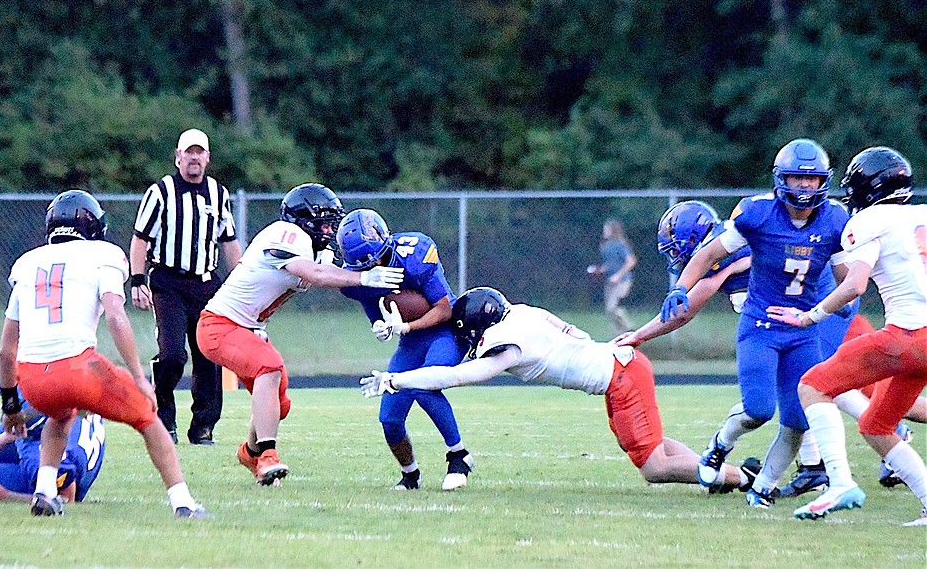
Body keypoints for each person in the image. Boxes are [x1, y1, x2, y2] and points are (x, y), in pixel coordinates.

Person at [360, 287, 757, 491]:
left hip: (621, 378)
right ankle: (717, 471)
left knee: (653, 468)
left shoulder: (507, 348)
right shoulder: (523, 313)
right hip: (622, 368)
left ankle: (739, 478)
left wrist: (396, 379)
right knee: (646, 444)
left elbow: (453, 377)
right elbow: (575, 332)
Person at [658, 138, 850, 508]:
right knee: (759, 408)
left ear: (823, 181)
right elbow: (710, 253)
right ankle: (719, 446)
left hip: (803, 328)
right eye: (797, 178)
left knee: (798, 418)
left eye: (812, 180)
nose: (806, 187)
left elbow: (844, 275)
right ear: (782, 179)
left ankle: (764, 486)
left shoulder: (835, 218)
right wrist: (680, 287)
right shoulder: (757, 213)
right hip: (760, 324)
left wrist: (842, 299)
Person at [0, 190, 206, 518]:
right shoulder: (103, 254)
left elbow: (6, 350)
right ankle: (183, 502)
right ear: (92, 226)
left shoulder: (26, 263)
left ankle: (44, 491)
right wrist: (139, 377)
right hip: (78, 369)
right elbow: (115, 315)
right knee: (149, 419)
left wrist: (10, 405)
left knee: (60, 415)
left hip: (33, 380)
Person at [196, 183, 404, 486]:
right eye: (325, 222)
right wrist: (364, 278)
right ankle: (268, 456)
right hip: (219, 325)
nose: (331, 230)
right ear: (304, 220)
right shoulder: (285, 234)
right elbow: (318, 276)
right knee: (267, 368)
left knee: (279, 404)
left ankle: (249, 453)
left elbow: (342, 278)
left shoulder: (318, 250)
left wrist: (379, 312)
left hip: (249, 330)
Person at [766, 146, 927, 525]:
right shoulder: (921, 216)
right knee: (876, 425)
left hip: (908, 336)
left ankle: (839, 481)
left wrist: (810, 316)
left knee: (812, 385)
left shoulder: (871, 221)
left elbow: (854, 285)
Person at [335, 208, 474, 491]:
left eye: (370, 261)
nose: (367, 268)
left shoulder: (415, 255)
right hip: (410, 342)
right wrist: (379, 324)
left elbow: (444, 309)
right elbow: (371, 302)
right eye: (360, 265)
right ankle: (410, 475)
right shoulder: (355, 278)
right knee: (389, 418)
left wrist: (407, 328)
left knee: (423, 385)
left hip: (446, 332)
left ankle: (459, 456)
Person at [130, 128, 242, 446]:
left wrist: (244, 285)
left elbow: (229, 243)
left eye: (199, 152)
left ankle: (203, 427)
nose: (194, 157)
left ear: (207, 157)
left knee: (209, 355)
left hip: (206, 284)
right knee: (173, 355)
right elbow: (140, 239)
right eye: (188, 152)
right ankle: (164, 418)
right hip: (169, 282)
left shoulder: (218, 194)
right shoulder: (162, 192)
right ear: (178, 157)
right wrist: (137, 280)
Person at [589, 218, 637, 334]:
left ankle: (630, 328)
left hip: (623, 280)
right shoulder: (606, 246)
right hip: (610, 281)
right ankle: (619, 334)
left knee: (613, 307)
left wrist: (618, 276)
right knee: (609, 310)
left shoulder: (621, 244)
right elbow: (610, 264)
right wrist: (599, 270)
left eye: (606, 229)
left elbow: (631, 261)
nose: (604, 231)